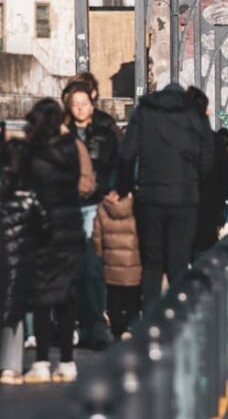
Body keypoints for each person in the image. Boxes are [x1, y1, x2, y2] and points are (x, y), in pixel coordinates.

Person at [117, 84, 214, 308]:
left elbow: (127, 153)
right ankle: (177, 319)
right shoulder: (193, 113)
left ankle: (150, 319)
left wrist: (125, 189)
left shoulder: (144, 111)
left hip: (150, 197)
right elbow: (208, 156)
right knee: (178, 263)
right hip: (184, 199)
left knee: (152, 263)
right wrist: (195, 183)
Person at [24, 99, 95, 383]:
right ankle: (67, 362)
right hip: (70, 226)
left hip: (42, 228)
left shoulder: (33, 151)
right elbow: (82, 182)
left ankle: (41, 361)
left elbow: (24, 184)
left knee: (41, 297)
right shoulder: (71, 148)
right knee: (67, 297)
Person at [64, 81, 118, 349]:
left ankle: (94, 322)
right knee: (75, 264)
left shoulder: (105, 131)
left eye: (83, 104)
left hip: (96, 203)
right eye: (75, 104)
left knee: (93, 262)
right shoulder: (62, 133)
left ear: (92, 104)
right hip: (69, 204)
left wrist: (112, 189)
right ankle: (79, 322)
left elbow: (115, 162)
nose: (79, 108)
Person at [0, 138, 50, 385]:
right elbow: (44, 224)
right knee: (14, 311)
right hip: (21, 255)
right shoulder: (30, 191)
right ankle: (10, 365)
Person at [187, 87, 228, 257]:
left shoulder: (173, 138)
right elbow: (224, 177)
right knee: (204, 256)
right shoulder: (214, 140)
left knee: (176, 261)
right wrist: (220, 206)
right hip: (207, 209)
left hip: (179, 207)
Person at [92, 191, 141, 341]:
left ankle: (116, 329)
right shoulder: (137, 206)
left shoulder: (103, 206)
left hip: (110, 264)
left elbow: (97, 237)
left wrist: (100, 254)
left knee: (114, 299)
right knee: (132, 298)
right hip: (134, 264)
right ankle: (130, 326)